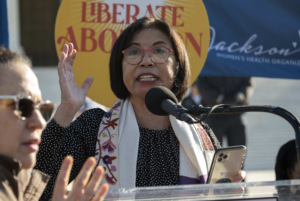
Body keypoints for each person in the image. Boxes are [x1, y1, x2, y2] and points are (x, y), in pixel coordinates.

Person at [35, 17, 246, 200]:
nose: (146, 61)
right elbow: (35, 190)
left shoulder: (202, 135)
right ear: (120, 67)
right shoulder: (93, 127)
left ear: (178, 65)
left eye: (159, 51)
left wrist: (231, 191)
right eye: (134, 52)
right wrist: (67, 109)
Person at [0, 47, 108, 201]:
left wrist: (68, 107)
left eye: (42, 109)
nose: (40, 123)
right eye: (23, 106)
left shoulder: (16, 183)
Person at [197, 76, 253, 146]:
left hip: (236, 113)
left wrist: (241, 95)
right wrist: (218, 97)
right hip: (214, 114)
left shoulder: (241, 65)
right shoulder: (208, 66)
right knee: (213, 150)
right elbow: (202, 84)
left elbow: (248, 83)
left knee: (238, 150)